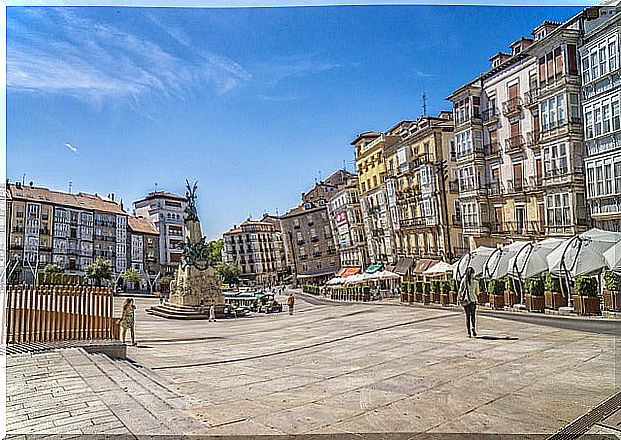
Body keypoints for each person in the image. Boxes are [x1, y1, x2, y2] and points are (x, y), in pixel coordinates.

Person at [458, 267, 479, 338]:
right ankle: (473, 327)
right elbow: (477, 293)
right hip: (473, 300)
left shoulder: (464, 281)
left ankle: (469, 333)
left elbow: (460, 290)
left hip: (466, 300)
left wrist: (460, 298)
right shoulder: (476, 282)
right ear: (472, 274)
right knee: (473, 316)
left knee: (467, 316)